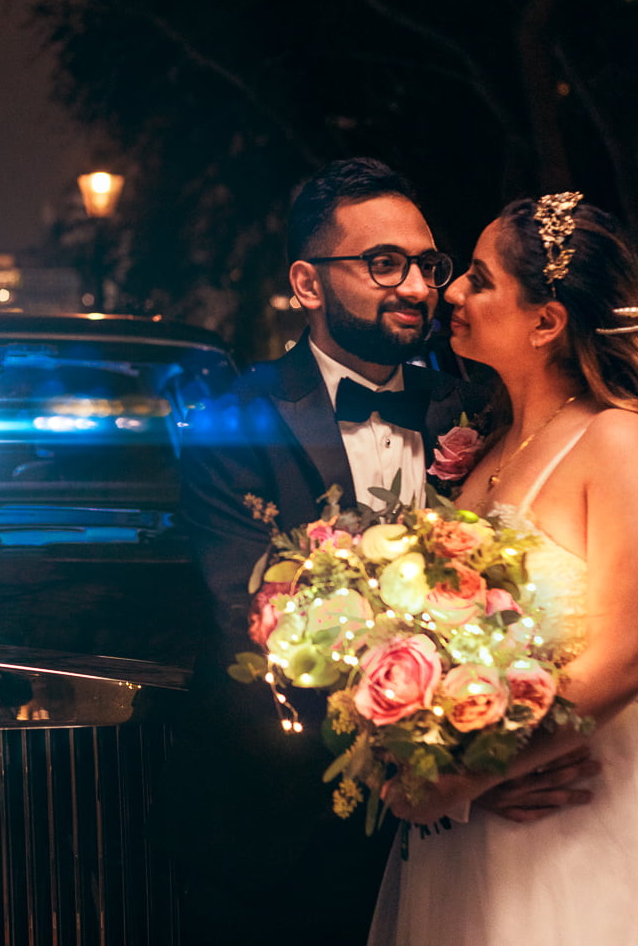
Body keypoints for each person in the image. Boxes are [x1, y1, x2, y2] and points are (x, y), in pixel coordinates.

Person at [366, 193, 638, 945]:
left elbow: (628, 657)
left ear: (546, 321)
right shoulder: (487, 446)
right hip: (487, 821)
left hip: (595, 804)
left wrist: (468, 776)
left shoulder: (616, 439)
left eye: (479, 278)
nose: (452, 292)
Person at [168, 159, 597, 946]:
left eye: (427, 265)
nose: (418, 287)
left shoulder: (477, 407)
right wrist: (457, 776)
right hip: (291, 838)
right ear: (308, 283)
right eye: (384, 263)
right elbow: (253, 626)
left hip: (469, 849)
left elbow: (583, 478)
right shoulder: (233, 422)